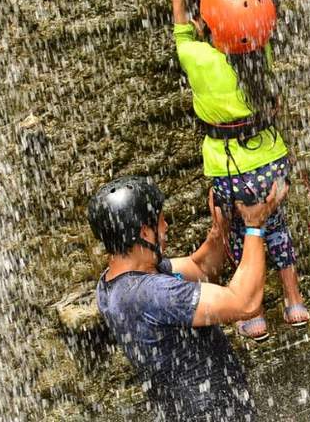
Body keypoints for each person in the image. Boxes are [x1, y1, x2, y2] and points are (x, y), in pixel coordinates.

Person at [167, 0, 310, 340]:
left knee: (242, 233)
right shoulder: (261, 55)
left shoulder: (201, 60)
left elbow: (182, 37)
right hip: (273, 164)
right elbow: (246, 26)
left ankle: (254, 310)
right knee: (275, 224)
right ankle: (294, 301)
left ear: (212, 29)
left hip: (232, 170)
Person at [88, 175, 288, 421]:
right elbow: (244, 302)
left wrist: (220, 226)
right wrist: (255, 225)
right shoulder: (155, 293)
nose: (166, 227)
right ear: (144, 232)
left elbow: (201, 267)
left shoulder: (113, 282)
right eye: (160, 221)